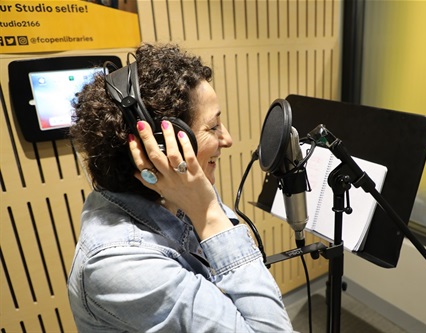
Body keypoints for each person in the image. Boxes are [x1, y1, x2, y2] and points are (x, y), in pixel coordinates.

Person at [67, 43, 293, 332]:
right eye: (213, 127)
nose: (228, 139)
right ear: (160, 149)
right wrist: (210, 214)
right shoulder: (121, 264)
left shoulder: (176, 190)